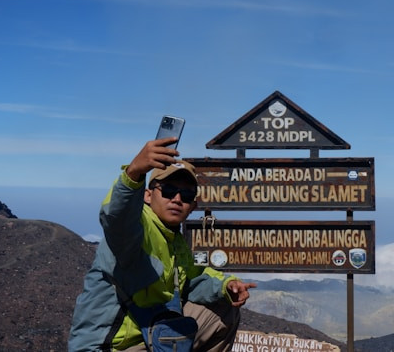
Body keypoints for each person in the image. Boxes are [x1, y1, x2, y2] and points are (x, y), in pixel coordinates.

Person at [69, 136, 256, 351]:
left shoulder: (175, 241)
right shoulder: (139, 227)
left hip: (153, 334)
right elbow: (116, 218)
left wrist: (226, 286)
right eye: (168, 191)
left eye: (186, 195)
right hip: (112, 346)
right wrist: (133, 174)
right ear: (148, 196)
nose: (177, 199)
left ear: (193, 206)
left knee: (225, 309)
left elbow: (195, 279)